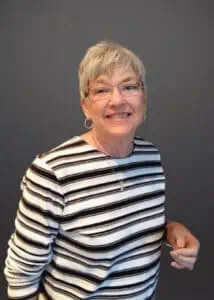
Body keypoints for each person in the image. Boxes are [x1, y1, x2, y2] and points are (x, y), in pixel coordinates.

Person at [4, 41, 200, 300]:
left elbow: (126, 226)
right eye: (101, 90)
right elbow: (21, 275)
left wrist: (171, 230)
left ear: (144, 98)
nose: (118, 100)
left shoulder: (149, 157)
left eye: (129, 86)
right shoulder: (53, 173)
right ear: (85, 105)